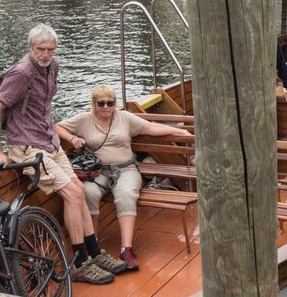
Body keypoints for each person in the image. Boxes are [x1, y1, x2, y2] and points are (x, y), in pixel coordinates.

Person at [0, 25, 124, 285]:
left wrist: (64, 138)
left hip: (49, 141)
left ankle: (94, 253)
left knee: (78, 189)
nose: (46, 54)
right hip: (26, 146)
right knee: (73, 193)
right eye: (41, 49)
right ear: (31, 48)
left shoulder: (53, 66)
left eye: (50, 49)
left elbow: (44, 107)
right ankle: (80, 262)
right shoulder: (21, 72)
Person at [57, 86, 193, 271]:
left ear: (115, 103)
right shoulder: (83, 120)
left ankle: (126, 249)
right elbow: (57, 127)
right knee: (88, 192)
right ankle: (92, 245)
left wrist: (179, 132)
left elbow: (150, 127)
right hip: (98, 171)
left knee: (127, 194)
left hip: (126, 169)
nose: (106, 107)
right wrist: (72, 138)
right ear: (94, 104)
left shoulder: (125, 118)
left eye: (110, 103)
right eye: (101, 103)